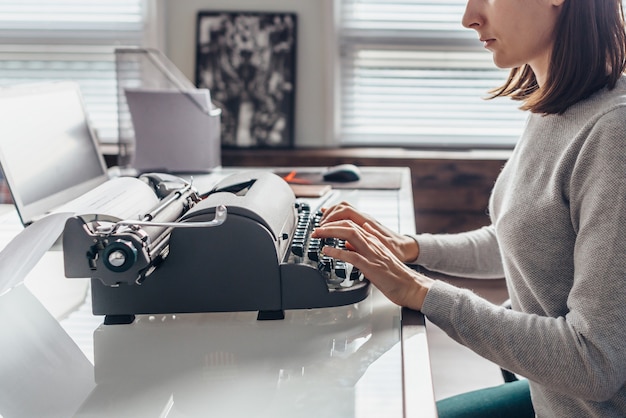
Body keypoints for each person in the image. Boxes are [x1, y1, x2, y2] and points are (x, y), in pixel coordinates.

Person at [311, 0, 626, 416]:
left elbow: (594, 362)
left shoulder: (612, 134)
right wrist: (411, 248)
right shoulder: (555, 105)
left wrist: (421, 292)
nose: (469, 17)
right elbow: (526, 239)